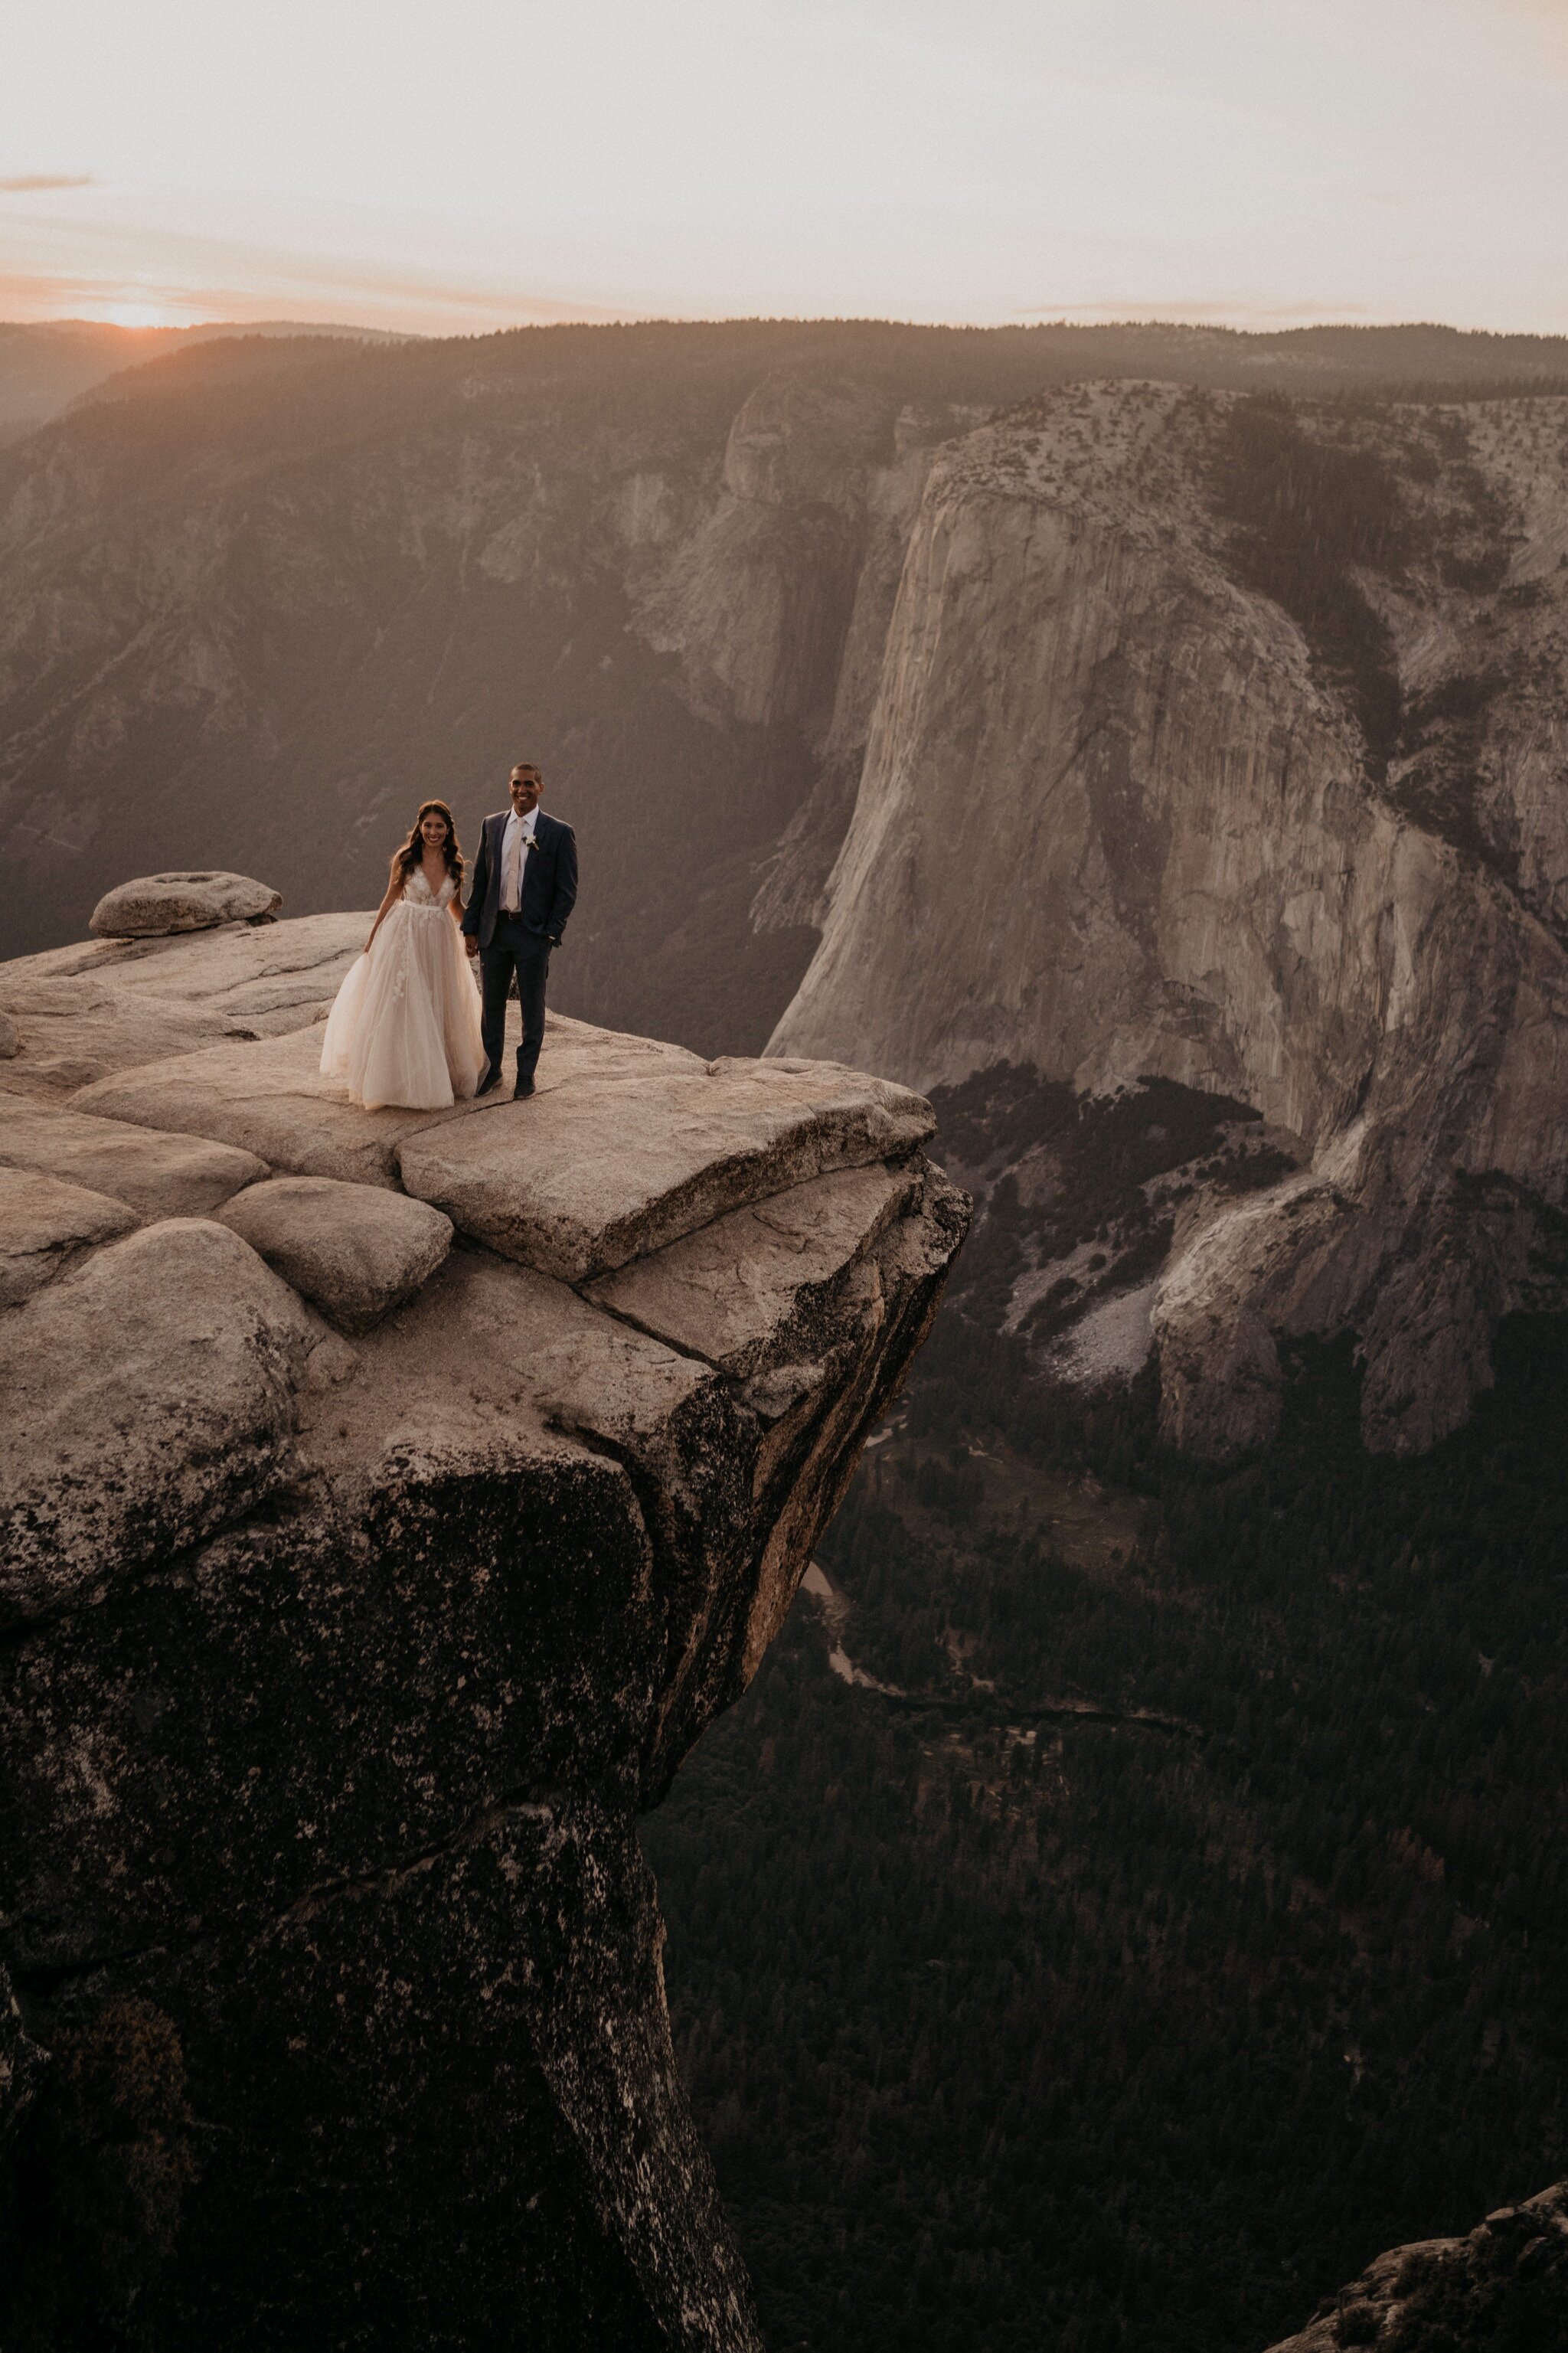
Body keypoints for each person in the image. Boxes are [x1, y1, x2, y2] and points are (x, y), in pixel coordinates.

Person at [319, 800, 487, 1111]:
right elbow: (390, 897)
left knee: (438, 1004)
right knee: (405, 1005)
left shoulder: (456, 863)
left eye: (439, 826)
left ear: (448, 829)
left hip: (439, 940)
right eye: (428, 826)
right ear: (419, 827)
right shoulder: (406, 859)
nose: (433, 832)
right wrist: (373, 938)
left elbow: (454, 906)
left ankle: (437, 1073)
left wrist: (474, 932)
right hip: (406, 936)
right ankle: (396, 1078)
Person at [462, 761, 578, 1099]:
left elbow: (567, 890)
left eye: (529, 784)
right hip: (495, 931)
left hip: (533, 934)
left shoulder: (558, 832)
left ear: (541, 788)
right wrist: (471, 928)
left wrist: (550, 933)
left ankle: (526, 1075)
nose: (522, 790)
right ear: (509, 786)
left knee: (532, 1008)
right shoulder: (492, 825)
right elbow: (481, 883)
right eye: (516, 784)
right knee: (491, 1007)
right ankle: (492, 1069)